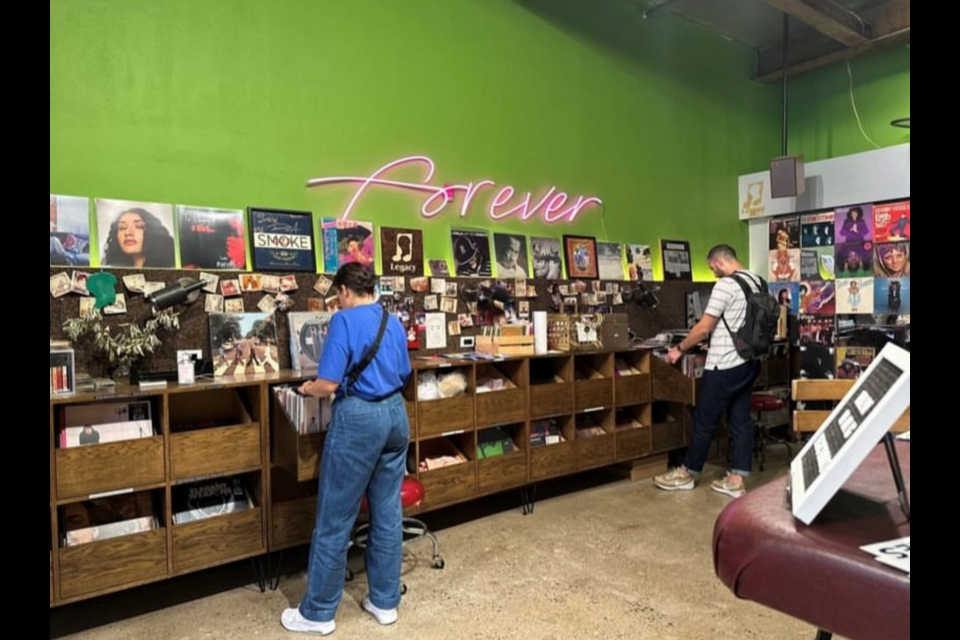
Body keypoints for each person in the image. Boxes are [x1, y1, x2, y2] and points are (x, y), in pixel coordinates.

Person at [282, 263, 412, 636]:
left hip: (359, 419)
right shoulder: (392, 319)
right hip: (395, 414)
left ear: (343, 291)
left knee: (335, 517)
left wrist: (307, 389)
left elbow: (327, 383)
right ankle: (385, 603)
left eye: (337, 295)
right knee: (387, 512)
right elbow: (403, 372)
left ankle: (319, 612)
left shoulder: (343, 320)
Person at [653, 245, 762, 498]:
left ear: (720, 262)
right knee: (740, 419)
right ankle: (737, 478)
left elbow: (703, 327)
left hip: (723, 364)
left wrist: (679, 349)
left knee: (704, 420)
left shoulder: (725, 285)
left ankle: (687, 473)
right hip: (748, 363)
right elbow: (738, 324)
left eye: (713, 269)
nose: (714, 274)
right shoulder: (758, 282)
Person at [102, 207, 175, 268]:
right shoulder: (110, 271)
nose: (128, 233)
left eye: (139, 226)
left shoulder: (172, 267)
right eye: (122, 228)